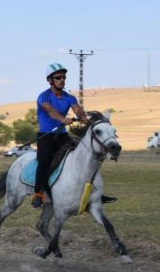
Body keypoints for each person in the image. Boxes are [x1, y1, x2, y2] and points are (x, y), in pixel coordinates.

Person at [33, 64, 116, 208]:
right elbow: (51, 111)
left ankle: (95, 193)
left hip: (62, 135)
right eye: (58, 77)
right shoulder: (43, 97)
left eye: (64, 77)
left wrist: (84, 118)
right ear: (50, 80)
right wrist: (62, 119)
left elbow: (78, 110)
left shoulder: (69, 98)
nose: (62, 80)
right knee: (44, 161)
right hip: (46, 135)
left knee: (84, 155)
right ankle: (38, 193)